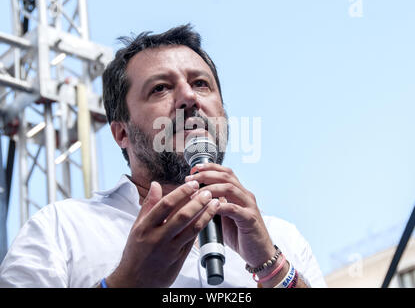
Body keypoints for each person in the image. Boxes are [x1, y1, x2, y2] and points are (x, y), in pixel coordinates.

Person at [0, 24, 326, 288]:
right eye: (160, 88)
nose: (188, 97)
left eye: (201, 84)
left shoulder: (282, 239)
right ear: (121, 133)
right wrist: (129, 282)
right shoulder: (62, 230)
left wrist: (271, 268)